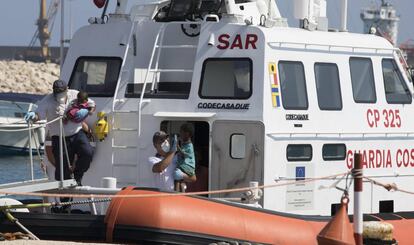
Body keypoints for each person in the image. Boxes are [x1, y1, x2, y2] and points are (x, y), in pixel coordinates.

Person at [24, 80, 94, 186]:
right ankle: (65, 201)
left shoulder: (75, 94)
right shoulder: (47, 100)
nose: (59, 94)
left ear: (67, 88)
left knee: (87, 153)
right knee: (63, 169)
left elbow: (91, 105)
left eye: (61, 91)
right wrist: (33, 115)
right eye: (57, 92)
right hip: (59, 137)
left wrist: (87, 111)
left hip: (77, 133)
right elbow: (39, 115)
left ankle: (77, 177)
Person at [174, 123, 196, 192]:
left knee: (177, 178)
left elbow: (184, 154)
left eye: (181, 132)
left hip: (187, 166)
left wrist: (177, 146)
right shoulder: (185, 143)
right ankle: (182, 193)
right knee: (181, 181)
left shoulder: (189, 145)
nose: (180, 134)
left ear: (187, 133)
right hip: (186, 166)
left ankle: (177, 194)